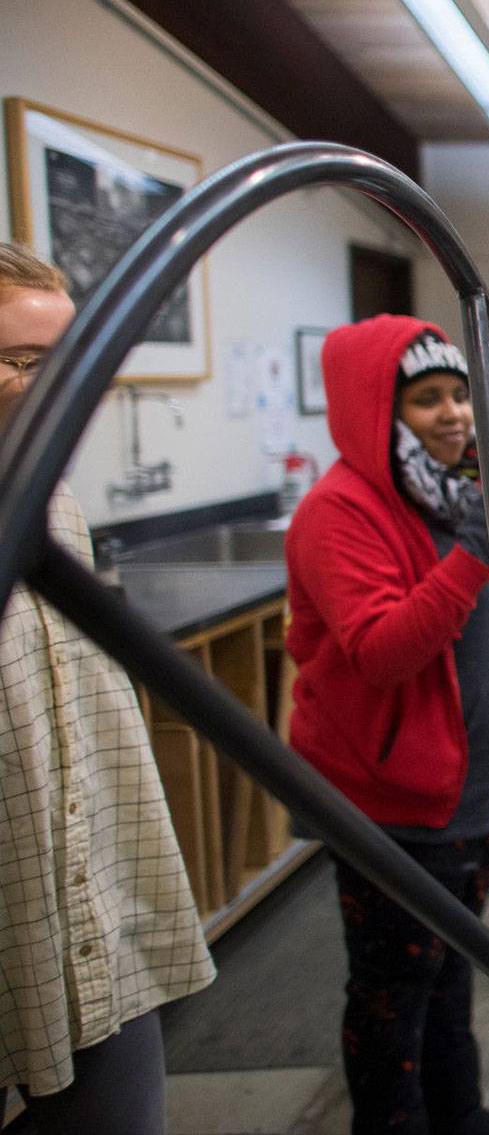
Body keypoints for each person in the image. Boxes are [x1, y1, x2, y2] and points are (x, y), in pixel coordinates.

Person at [286, 315, 489, 1135]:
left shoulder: (454, 493)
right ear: (373, 409)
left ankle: (455, 1113)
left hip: (478, 787)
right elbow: (381, 653)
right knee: (394, 987)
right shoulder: (340, 512)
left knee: (450, 966)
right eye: (426, 399)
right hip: (395, 800)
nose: (454, 414)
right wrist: (474, 548)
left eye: (459, 394)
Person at [0, 243, 215, 1133]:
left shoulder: (50, 501)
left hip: (91, 906)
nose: (54, 390)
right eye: (21, 361)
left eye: (69, 362)